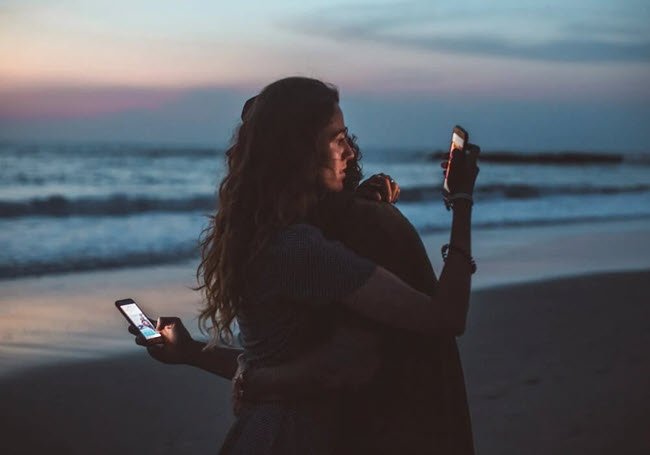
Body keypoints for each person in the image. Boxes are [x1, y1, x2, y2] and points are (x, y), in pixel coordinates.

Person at [129, 76, 479, 454]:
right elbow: (445, 318)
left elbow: (271, 367)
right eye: (338, 139)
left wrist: (189, 352)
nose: (351, 152)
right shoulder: (301, 249)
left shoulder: (264, 234)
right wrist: (461, 201)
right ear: (300, 152)